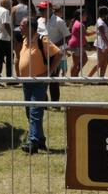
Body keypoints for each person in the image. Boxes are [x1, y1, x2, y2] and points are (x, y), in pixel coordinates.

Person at [18, 17, 62, 154]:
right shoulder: (25, 40)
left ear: (30, 27)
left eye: (22, 25)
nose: (20, 28)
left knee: (35, 110)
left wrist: (49, 72)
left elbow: (59, 53)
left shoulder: (41, 39)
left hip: (39, 82)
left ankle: (33, 142)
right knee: (29, 111)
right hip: (27, 82)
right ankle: (40, 139)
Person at [36, 1, 70, 102]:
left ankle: (55, 103)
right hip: (42, 54)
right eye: (40, 9)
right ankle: (44, 102)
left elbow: (67, 36)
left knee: (53, 79)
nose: (40, 11)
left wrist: (55, 46)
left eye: (43, 9)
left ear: (50, 9)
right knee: (42, 78)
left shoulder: (59, 21)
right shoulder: (39, 21)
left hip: (55, 54)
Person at [11, 0, 36, 75]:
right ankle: (27, 73)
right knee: (28, 53)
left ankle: (18, 75)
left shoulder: (14, 8)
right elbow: (34, 20)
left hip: (17, 30)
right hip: (28, 31)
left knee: (18, 55)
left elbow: (11, 22)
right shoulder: (31, 8)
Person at [68, 9, 95, 77]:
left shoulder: (78, 23)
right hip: (76, 45)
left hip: (78, 45)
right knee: (76, 63)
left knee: (84, 60)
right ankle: (73, 77)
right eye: (85, 15)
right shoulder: (80, 24)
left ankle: (75, 74)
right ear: (80, 16)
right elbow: (86, 34)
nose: (86, 16)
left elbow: (83, 35)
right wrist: (95, 32)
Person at [0, 0, 12, 85]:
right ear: (6, 3)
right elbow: (6, 25)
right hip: (4, 38)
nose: (10, 5)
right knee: (8, 58)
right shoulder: (5, 11)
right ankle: (9, 78)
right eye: (9, 3)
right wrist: (12, 36)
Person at [88, 6, 108, 78]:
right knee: (100, 62)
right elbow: (103, 35)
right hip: (102, 43)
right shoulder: (100, 22)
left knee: (105, 61)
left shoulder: (100, 21)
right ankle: (89, 77)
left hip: (102, 43)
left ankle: (101, 78)